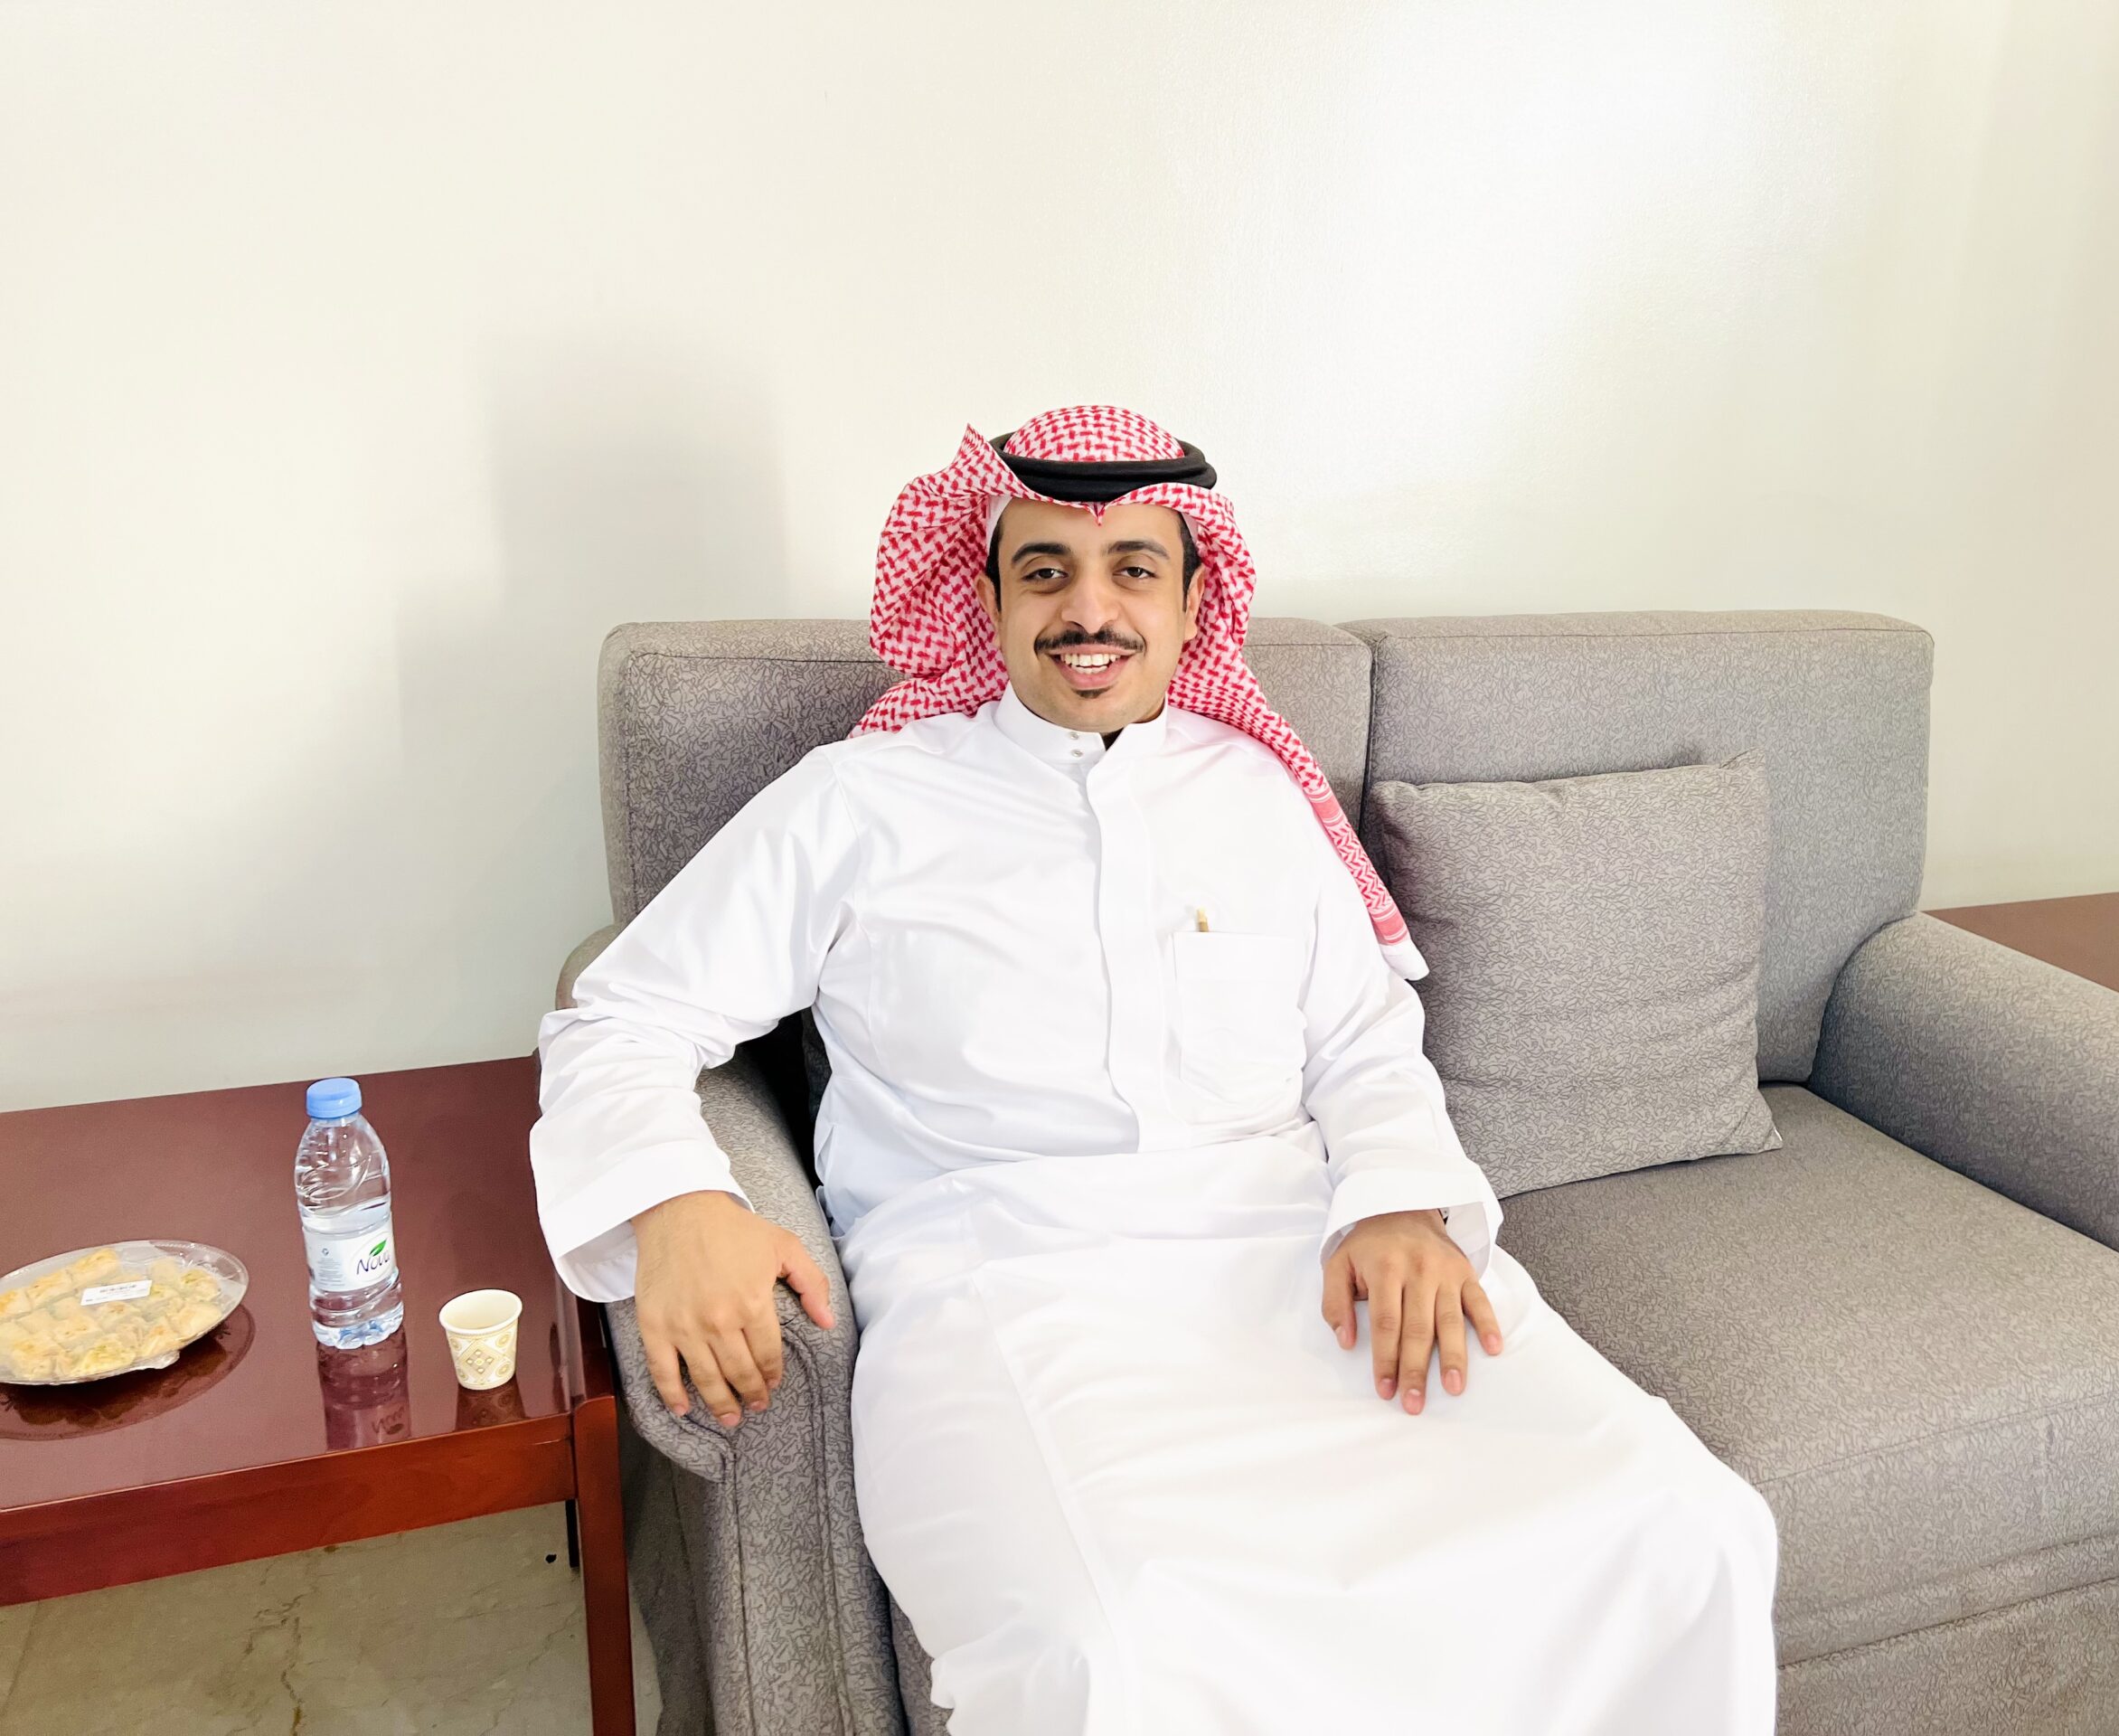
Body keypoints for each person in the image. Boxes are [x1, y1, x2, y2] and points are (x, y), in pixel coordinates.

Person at [531, 404, 1779, 1733]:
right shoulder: (859, 801)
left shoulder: (1257, 792)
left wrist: (1402, 1200)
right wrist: (678, 1201)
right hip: (1004, 1285)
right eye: (1046, 571)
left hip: (1302, 1254)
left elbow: (1362, 1038)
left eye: (1134, 569)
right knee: (1115, 1657)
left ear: (1193, 606)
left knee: (1684, 1526)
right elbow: (620, 1013)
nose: (1090, 609)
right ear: (990, 602)